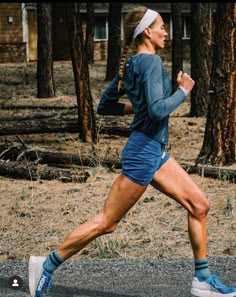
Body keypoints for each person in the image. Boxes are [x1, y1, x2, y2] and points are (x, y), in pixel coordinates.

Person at [28, 5, 236, 297]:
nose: (166, 32)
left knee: (199, 205)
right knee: (106, 222)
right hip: (143, 154)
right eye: (161, 26)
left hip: (153, 151)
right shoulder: (149, 64)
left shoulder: (131, 65)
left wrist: (137, 107)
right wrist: (184, 91)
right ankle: (45, 265)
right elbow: (156, 109)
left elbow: (106, 105)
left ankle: (202, 280)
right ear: (147, 31)